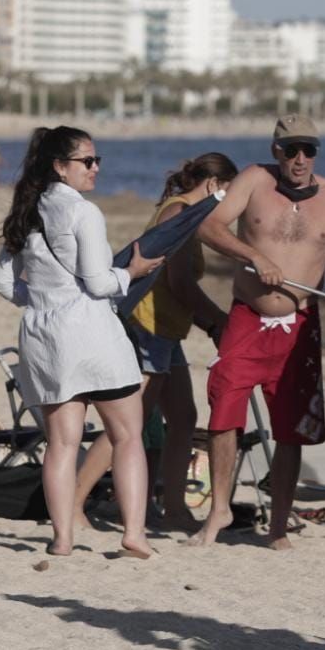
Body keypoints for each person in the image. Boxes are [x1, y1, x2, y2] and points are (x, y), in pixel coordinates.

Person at [192, 115, 325, 549]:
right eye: (291, 149)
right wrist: (253, 256)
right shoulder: (254, 180)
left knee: (290, 429)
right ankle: (219, 509)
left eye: (309, 149)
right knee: (224, 412)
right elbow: (208, 226)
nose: (300, 158)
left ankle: (278, 524)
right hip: (247, 318)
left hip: (300, 327)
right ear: (275, 149)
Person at [0, 126, 165, 557]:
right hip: (91, 335)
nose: (95, 168)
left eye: (97, 159)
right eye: (87, 161)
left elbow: (0, 281)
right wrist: (134, 272)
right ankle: (134, 534)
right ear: (60, 166)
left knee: (62, 443)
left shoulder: (27, 210)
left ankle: (62, 538)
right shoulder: (84, 212)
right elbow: (98, 280)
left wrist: (41, 300)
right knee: (127, 434)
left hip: (46, 340)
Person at [72, 152, 237, 534]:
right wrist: (217, 321)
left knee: (183, 418)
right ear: (213, 186)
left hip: (169, 330)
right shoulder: (177, 213)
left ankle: (174, 507)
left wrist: (208, 324)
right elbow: (178, 283)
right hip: (148, 326)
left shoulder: (187, 215)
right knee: (129, 421)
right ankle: (73, 501)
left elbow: (180, 287)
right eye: (228, 193)